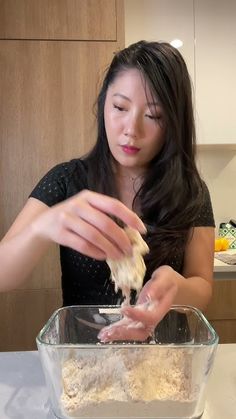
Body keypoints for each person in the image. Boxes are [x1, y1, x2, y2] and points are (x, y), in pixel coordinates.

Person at [0, 40, 215, 342]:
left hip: (164, 357)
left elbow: (203, 284)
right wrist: (42, 227)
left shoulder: (191, 190)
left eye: (153, 116)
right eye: (119, 107)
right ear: (103, 104)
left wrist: (178, 287)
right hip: (85, 356)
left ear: (173, 124)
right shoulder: (66, 181)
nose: (131, 129)